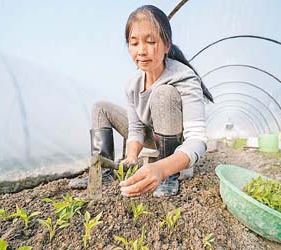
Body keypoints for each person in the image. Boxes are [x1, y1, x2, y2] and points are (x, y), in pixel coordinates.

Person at [69, 5, 214, 197]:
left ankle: (169, 176)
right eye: (134, 43)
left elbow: (197, 139)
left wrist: (162, 169)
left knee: (163, 93)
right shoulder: (132, 84)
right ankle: (103, 172)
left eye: (150, 41)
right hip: (151, 134)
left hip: (176, 138)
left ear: (166, 45)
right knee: (101, 108)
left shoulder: (183, 77)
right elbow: (136, 129)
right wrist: (131, 157)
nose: (141, 51)